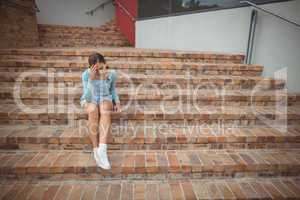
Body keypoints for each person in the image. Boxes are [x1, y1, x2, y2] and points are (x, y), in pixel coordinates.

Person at [80, 53, 121, 169]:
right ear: (91, 67)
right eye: (97, 68)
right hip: (90, 98)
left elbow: (112, 90)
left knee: (104, 108)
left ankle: (103, 149)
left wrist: (117, 102)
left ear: (105, 64)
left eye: (102, 67)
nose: (100, 71)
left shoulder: (112, 74)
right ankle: (96, 149)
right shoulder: (86, 75)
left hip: (105, 98)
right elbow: (87, 97)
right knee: (93, 109)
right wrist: (91, 81)